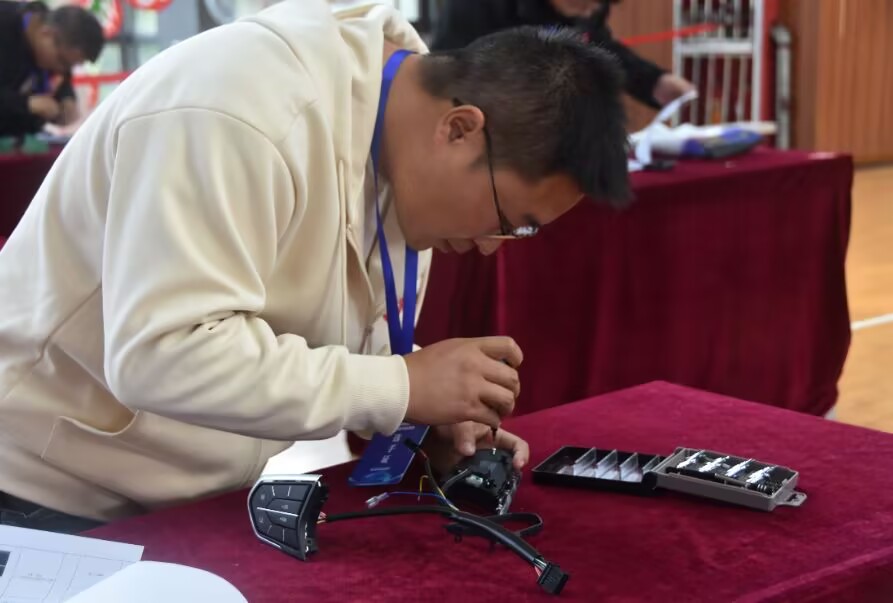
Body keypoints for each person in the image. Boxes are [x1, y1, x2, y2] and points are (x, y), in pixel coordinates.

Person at [0, 0, 629, 533]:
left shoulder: (397, 141)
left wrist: (426, 407)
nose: (492, 247)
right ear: (460, 129)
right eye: (506, 217)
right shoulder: (238, 107)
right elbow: (160, 354)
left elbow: (329, 331)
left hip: (186, 496)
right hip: (44, 488)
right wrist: (400, 386)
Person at [432, 0, 695, 109]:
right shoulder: (477, 6)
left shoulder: (588, 8)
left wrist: (654, 82)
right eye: (584, 2)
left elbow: (599, 48)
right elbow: (448, 69)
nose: (590, 11)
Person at [0, 1, 103, 138]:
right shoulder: (5, 24)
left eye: (70, 67)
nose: (61, 70)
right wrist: (27, 104)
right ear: (46, 33)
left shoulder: (46, 56)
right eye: (62, 61)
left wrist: (66, 98)